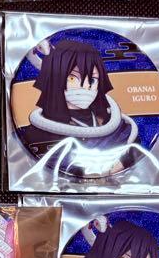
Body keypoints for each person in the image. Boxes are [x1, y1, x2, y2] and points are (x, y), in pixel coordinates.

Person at [17, 41, 140, 176]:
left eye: (92, 80)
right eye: (72, 78)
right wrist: (85, 172)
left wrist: (123, 161)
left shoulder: (111, 122)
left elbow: (135, 146)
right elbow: (48, 162)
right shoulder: (38, 131)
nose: (85, 87)